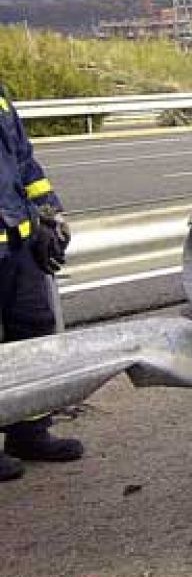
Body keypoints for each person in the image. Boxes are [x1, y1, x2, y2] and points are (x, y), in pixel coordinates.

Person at [0, 81, 81, 481]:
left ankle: (29, 430)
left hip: (17, 241)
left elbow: (24, 162)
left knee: (32, 332)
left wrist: (48, 214)